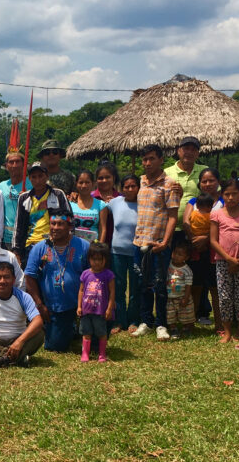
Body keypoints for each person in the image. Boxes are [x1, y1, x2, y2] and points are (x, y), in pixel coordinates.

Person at [131, 144, 180, 341]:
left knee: (160, 286)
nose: (148, 163)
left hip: (159, 243)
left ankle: (161, 324)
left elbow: (173, 216)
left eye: (152, 158)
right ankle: (145, 321)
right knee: (142, 283)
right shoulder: (140, 182)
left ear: (161, 160)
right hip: (139, 242)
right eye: (145, 159)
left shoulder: (169, 184)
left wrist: (166, 242)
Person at [25, 215, 90, 352]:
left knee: (95, 342)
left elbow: (94, 275)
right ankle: (57, 327)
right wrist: (39, 305)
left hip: (81, 303)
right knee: (56, 346)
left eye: (60, 224)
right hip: (55, 306)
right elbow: (29, 277)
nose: (55, 228)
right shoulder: (40, 247)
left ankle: (74, 326)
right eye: (52, 223)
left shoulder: (83, 246)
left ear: (70, 227)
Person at [211, 178, 239, 344]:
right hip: (223, 262)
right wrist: (228, 259)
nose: (230, 197)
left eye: (234, 194)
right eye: (227, 194)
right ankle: (227, 331)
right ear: (222, 195)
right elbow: (213, 240)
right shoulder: (217, 214)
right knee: (225, 297)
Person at [12, 162, 72, 267]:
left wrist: (68, 243)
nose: (38, 180)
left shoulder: (58, 194)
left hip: (53, 244)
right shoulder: (24, 198)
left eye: (41, 176)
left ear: (47, 176)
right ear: (29, 178)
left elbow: (69, 220)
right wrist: (16, 251)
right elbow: (19, 226)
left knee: (52, 277)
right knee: (31, 277)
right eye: (34, 177)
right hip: (30, 245)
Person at [185, 168, 223, 327]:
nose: (208, 184)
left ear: (218, 182)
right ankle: (190, 322)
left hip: (215, 251)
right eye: (204, 181)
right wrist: (195, 239)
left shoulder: (223, 202)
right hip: (195, 250)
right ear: (200, 184)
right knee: (196, 287)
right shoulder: (193, 202)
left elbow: (224, 226)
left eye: (211, 180)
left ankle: (220, 324)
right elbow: (186, 222)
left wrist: (206, 238)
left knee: (216, 288)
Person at [108, 175, 140, 334]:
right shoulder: (115, 202)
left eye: (133, 186)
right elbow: (97, 204)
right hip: (117, 252)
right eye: (126, 186)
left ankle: (134, 319)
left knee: (135, 288)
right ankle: (119, 320)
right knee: (119, 288)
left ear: (138, 188)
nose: (129, 189)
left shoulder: (144, 204)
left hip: (136, 252)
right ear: (121, 188)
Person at [77, 242, 115, 361]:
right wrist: (79, 307)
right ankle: (85, 353)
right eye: (94, 259)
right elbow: (81, 291)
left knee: (101, 333)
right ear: (89, 259)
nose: (97, 262)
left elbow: (112, 292)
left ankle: (102, 354)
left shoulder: (108, 275)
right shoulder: (85, 274)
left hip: (100, 311)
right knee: (86, 333)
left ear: (105, 260)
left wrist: (109, 309)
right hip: (86, 311)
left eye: (100, 259)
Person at [164, 137, 208, 236]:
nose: (189, 152)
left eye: (193, 150)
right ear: (178, 151)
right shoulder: (166, 173)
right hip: (171, 228)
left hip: (198, 228)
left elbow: (214, 196)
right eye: (186, 148)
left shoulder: (205, 171)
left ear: (197, 154)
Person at [0, 151, 32, 251]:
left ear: (24, 164)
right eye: (11, 162)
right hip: (7, 237)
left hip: (27, 236)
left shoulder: (32, 184)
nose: (14, 165)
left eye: (17, 162)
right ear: (6, 166)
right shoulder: (1, 186)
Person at [70, 169, 109, 243]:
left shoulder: (101, 205)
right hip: (72, 246)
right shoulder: (70, 203)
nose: (84, 186)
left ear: (93, 184)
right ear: (76, 184)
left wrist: (99, 249)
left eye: (87, 182)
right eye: (81, 182)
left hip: (92, 248)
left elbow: (103, 229)